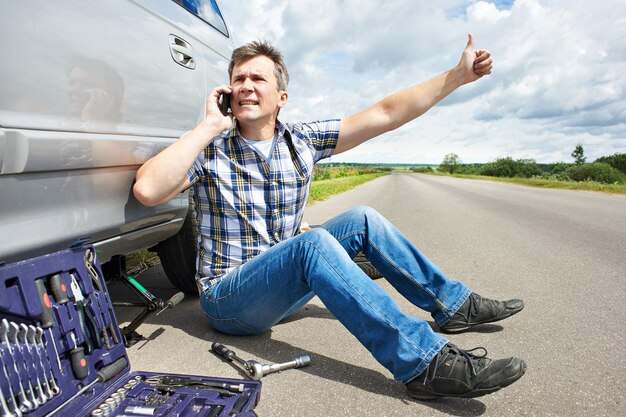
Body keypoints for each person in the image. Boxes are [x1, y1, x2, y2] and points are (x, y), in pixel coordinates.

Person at [133, 35, 526, 400]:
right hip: (230, 301)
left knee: (362, 218)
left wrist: (457, 76)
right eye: (238, 79)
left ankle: (455, 306)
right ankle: (423, 363)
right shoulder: (210, 149)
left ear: (281, 96)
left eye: (258, 78)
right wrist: (207, 127)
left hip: (283, 292)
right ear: (227, 93)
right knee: (312, 245)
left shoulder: (302, 141)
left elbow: (386, 113)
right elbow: (148, 190)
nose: (246, 85)